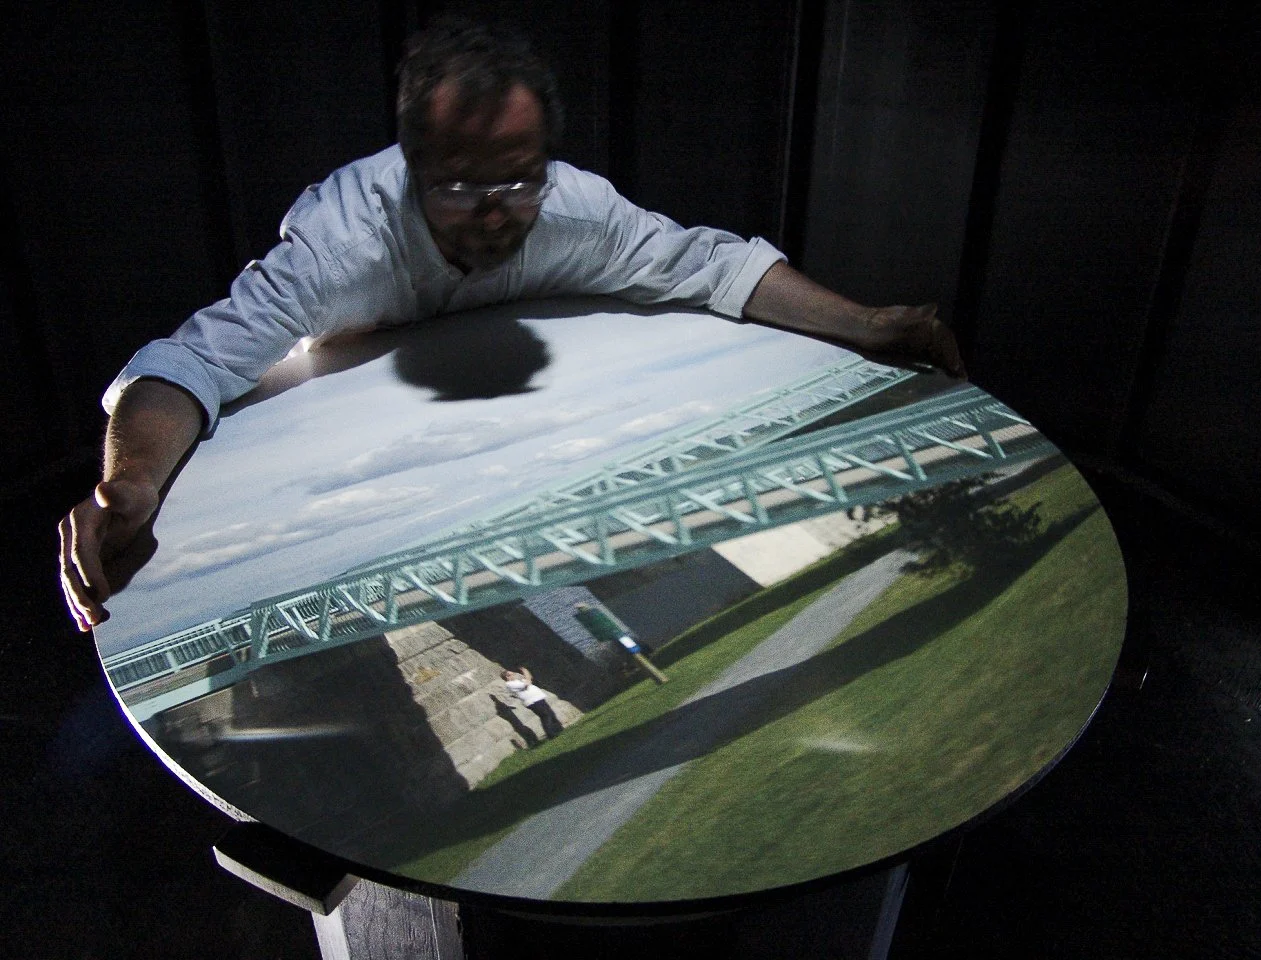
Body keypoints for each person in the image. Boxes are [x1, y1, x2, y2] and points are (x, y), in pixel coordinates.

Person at [59, 16, 966, 632]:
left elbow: (707, 261)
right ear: (412, 168)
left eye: (519, 178)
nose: (498, 213)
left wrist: (866, 323)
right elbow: (191, 362)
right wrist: (131, 484)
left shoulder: (572, 209)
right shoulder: (343, 246)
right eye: (459, 184)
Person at [500, 667, 563, 739]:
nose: (514, 675)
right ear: (507, 677)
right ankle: (551, 734)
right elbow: (527, 683)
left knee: (550, 713)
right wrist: (525, 672)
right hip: (532, 702)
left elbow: (530, 679)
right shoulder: (509, 684)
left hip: (538, 698)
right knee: (545, 715)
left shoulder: (517, 681)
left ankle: (559, 729)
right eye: (512, 674)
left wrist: (526, 673)